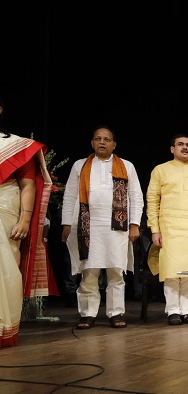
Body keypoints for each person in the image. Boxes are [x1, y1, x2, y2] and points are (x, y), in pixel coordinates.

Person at [60, 126, 143, 329]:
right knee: (89, 271)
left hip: (118, 228)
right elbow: (70, 196)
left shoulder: (126, 166)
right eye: (98, 139)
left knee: (116, 271)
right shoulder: (80, 166)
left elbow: (136, 197)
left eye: (107, 139)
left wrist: (134, 224)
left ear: (114, 144)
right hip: (88, 227)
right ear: (92, 143)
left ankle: (116, 313)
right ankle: (87, 314)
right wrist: (66, 224)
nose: (102, 142)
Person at [0, 98, 55, 348]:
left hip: (5, 210)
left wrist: (24, 219)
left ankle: (4, 328)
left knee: (5, 269)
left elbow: (28, 184)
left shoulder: (15, 145)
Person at [145, 134, 188, 325]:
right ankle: (173, 311)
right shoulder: (161, 170)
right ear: (172, 149)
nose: (185, 148)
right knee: (172, 272)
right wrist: (155, 230)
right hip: (170, 229)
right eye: (180, 145)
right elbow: (152, 201)